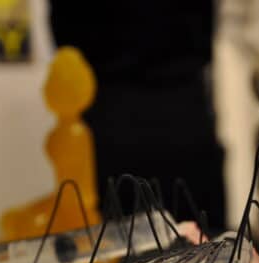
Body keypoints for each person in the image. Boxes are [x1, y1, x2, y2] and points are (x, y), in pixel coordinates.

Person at [47, 1, 226, 229]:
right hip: (180, 108)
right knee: (201, 238)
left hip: (111, 113)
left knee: (115, 240)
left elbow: (64, 33)